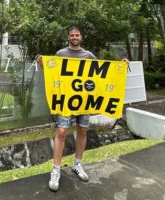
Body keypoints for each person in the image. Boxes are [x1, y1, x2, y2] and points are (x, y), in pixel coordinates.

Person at [36, 26, 128, 192]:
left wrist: (119, 68)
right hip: (66, 102)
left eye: (77, 34)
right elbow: (52, 72)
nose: (74, 37)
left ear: (81, 37)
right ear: (68, 38)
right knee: (62, 132)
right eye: (71, 35)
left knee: (83, 130)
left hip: (84, 102)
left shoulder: (88, 56)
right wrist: (42, 64)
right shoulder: (60, 54)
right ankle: (56, 169)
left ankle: (77, 164)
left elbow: (103, 74)